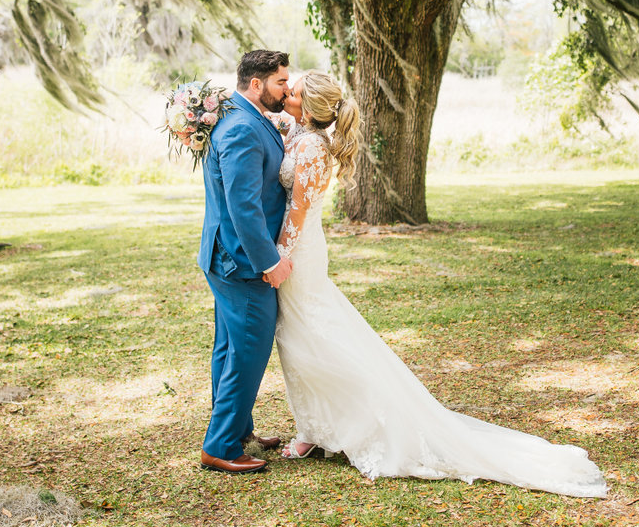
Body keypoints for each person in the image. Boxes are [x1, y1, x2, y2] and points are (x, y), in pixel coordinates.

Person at [270, 70, 608, 497]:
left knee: (312, 338)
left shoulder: (316, 148)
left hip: (298, 250)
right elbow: (278, 128)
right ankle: (314, 428)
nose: (286, 93)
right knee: (301, 338)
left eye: (293, 90)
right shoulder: (300, 131)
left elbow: (298, 211)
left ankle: (355, 424)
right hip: (301, 247)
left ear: (311, 106)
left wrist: (279, 257)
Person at [197, 49, 294, 475]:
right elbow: (244, 206)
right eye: (280, 83)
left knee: (230, 347)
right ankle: (220, 447)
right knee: (249, 350)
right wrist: (268, 261)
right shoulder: (240, 127)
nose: (286, 90)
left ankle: (236, 429)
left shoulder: (244, 117)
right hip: (240, 261)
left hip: (224, 256)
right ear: (256, 84)